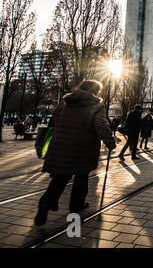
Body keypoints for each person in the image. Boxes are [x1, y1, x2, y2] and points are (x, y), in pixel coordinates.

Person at [34, 80, 116, 226]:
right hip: (83, 148)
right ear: (96, 91)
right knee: (81, 176)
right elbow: (101, 125)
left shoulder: (65, 102)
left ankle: (45, 203)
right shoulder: (96, 105)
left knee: (60, 177)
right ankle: (76, 205)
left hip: (60, 145)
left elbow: (55, 119)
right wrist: (110, 142)